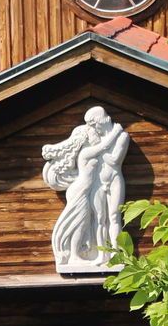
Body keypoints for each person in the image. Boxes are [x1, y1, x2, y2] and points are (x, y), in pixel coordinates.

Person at [40, 107, 130, 271]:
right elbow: (104, 149)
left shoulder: (121, 137)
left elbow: (114, 160)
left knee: (113, 217)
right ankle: (100, 255)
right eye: (91, 128)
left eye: (94, 125)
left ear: (101, 120)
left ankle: (117, 254)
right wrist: (113, 134)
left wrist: (114, 138)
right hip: (86, 189)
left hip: (108, 182)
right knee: (95, 220)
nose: (94, 130)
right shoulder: (87, 151)